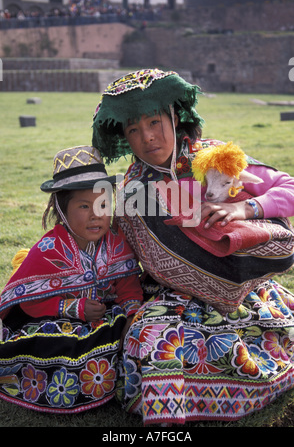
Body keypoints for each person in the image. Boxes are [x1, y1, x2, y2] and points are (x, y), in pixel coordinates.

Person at [92, 68, 294, 426]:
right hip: (171, 296)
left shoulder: (215, 158)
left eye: (154, 122)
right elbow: (125, 257)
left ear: (173, 116)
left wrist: (243, 208)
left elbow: (288, 188)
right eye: (133, 130)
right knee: (153, 338)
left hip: (241, 289)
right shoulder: (131, 190)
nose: (147, 138)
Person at [0, 145, 143, 413]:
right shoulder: (49, 249)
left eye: (103, 204)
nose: (96, 214)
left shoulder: (116, 242)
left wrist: (132, 317)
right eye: (84, 206)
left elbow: (128, 287)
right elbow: (28, 301)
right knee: (63, 350)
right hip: (55, 321)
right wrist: (72, 308)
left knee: (130, 337)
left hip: (108, 318)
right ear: (62, 210)